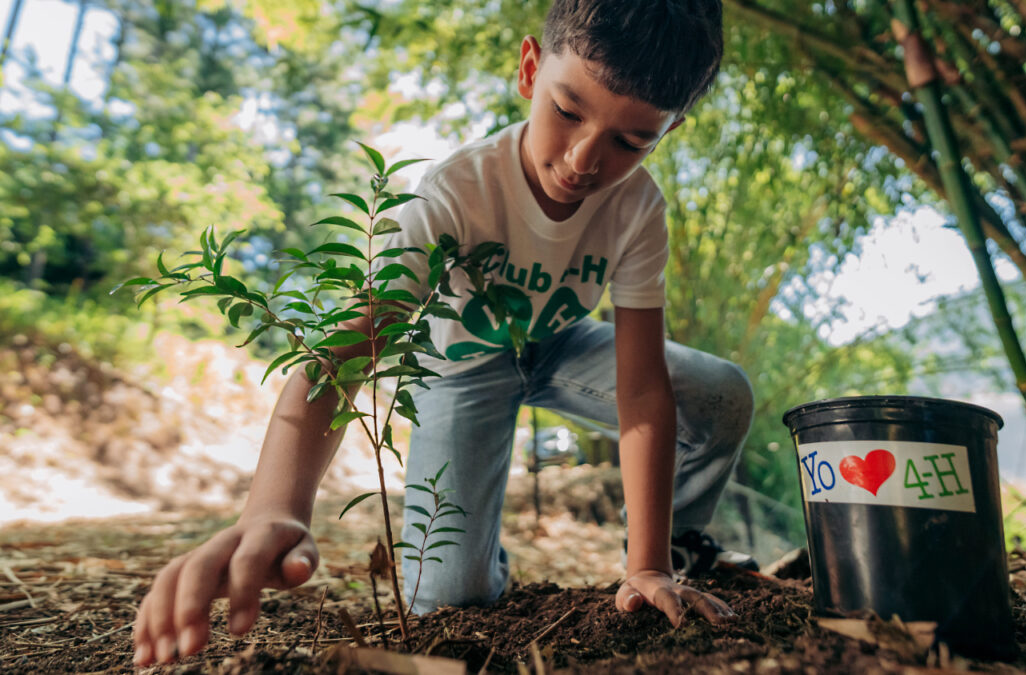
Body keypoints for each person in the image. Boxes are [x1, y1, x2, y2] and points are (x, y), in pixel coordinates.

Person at [132, 0, 755, 666]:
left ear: (666, 131)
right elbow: (341, 358)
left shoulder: (638, 210)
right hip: (461, 363)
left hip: (562, 347)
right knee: (449, 596)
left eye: (630, 142)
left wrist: (648, 562)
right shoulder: (455, 196)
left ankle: (681, 546)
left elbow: (642, 386)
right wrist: (273, 507)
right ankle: (482, 556)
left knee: (722, 395)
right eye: (568, 111)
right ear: (530, 69)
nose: (582, 158)